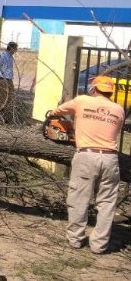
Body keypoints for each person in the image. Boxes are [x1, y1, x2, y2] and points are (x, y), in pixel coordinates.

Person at [50, 75, 124, 254]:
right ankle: (99, 245)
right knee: (106, 203)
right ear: (110, 91)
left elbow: (57, 112)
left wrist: (54, 115)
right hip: (110, 158)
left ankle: (76, 239)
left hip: (86, 156)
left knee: (79, 198)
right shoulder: (119, 109)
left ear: (94, 89)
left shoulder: (82, 100)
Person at [0, 41, 18, 124]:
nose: (16, 50)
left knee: (10, 99)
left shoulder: (10, 57)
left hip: (9, 80)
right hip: (2, 79)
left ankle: (7, 118)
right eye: (15, 49)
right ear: (12, 48)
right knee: (2, 99)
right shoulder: (3, 56)